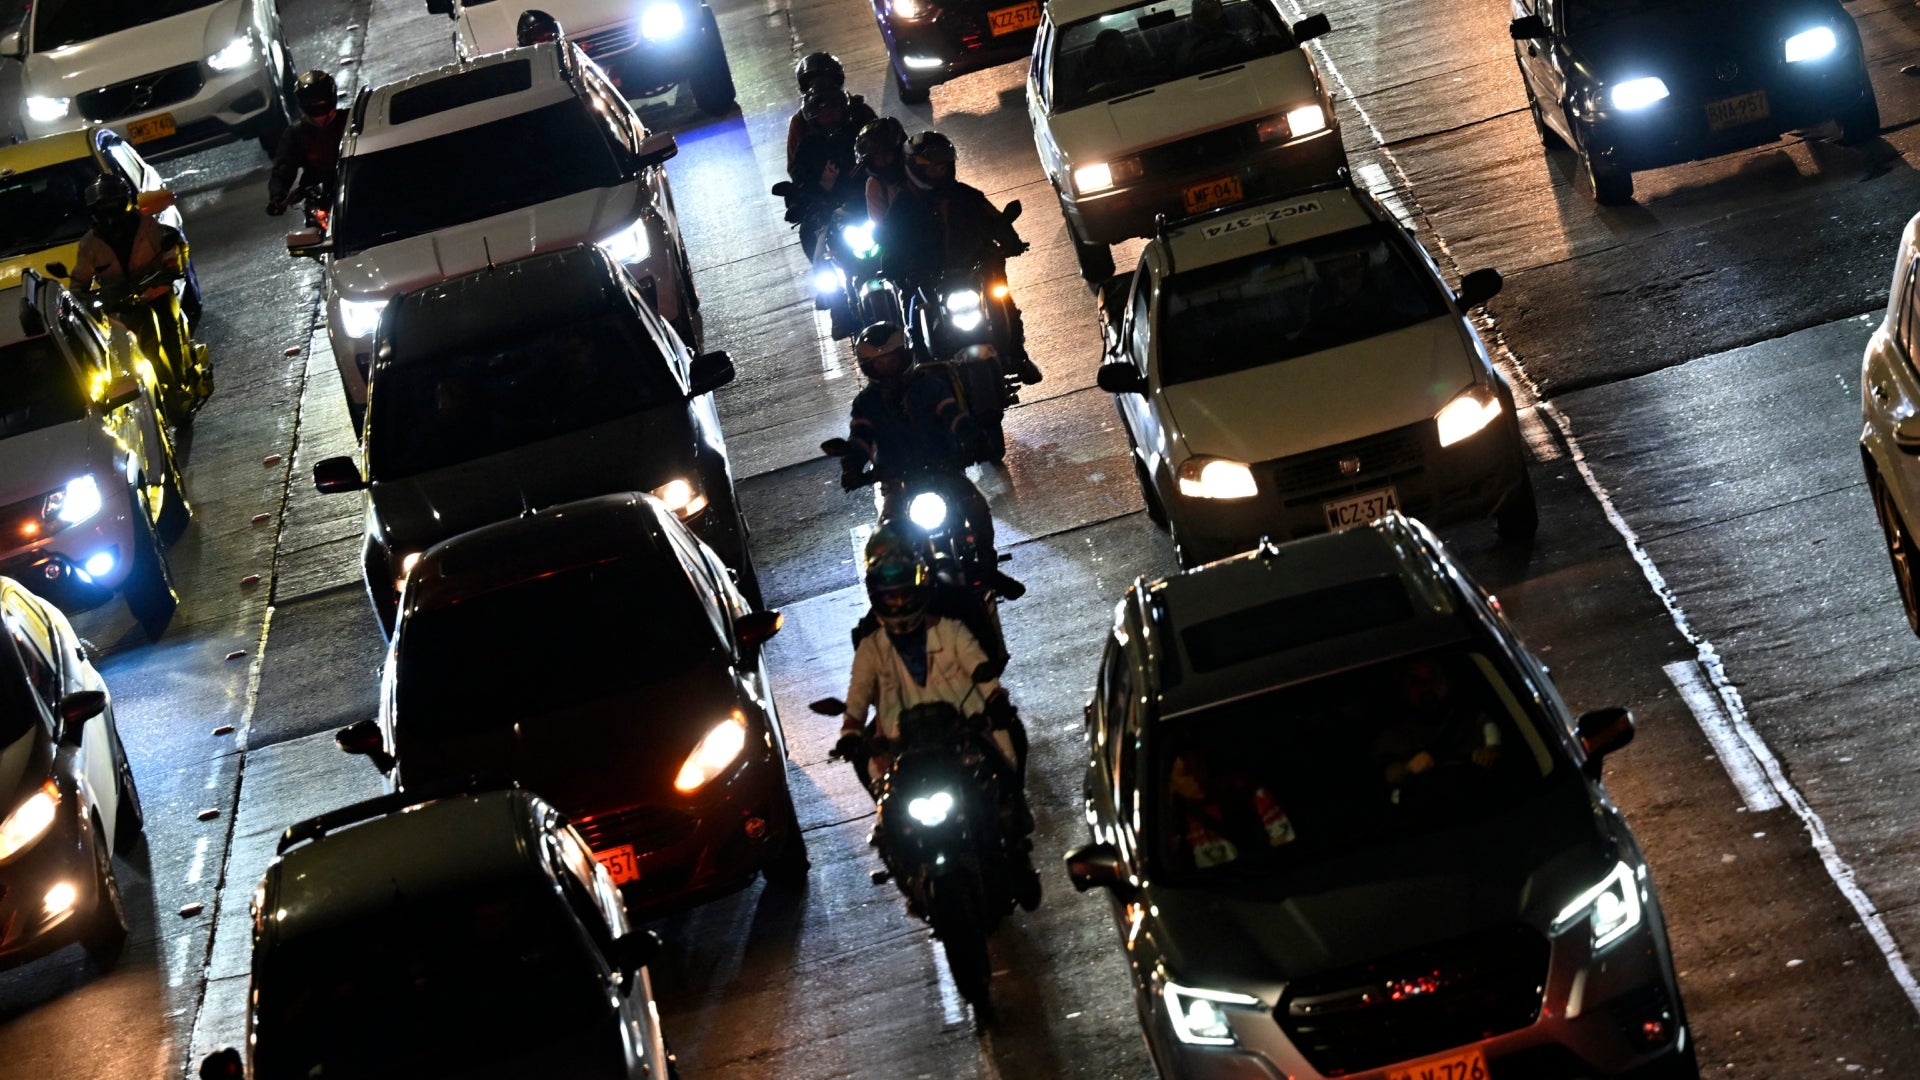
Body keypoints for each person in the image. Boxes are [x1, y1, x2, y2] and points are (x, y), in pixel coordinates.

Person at [840, 322, 1025, 596]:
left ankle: (988, 565)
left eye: (891, 360)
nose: (887, 368)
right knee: (885, 541)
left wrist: (974, 439)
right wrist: (852, 467)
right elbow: (860, 439)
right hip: (898, 482)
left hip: (943, 470)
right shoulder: (865, 403)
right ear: (869, 367)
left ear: (904, 356)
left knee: (975, 506)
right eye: (879, 363)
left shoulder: (930, 387)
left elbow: (953, 416)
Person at [877, 131, 1043, 384]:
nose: (937, 172)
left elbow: (994, 219)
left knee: (1002, 299)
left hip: (973, 269)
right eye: (930, 167)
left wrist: (1011, 241)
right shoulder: (902, 206)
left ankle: (1017, 353)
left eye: (942, 166)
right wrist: (895, 268)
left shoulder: (967, 195)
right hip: (928, 276)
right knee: (914, 307)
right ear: (914, 168)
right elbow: (889, 241)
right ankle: (923, 362)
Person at [71, 175, 207, 419]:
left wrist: (168, 270)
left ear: (124, 201)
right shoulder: (90, 243)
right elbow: (80, 278)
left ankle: (177, 383)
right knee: (108, 345)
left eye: (112, 202)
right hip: (119, 304)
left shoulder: (148, 226)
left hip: (156, 293)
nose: (109, 209)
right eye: (103, 205)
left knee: (169, 328)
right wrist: (78, 296)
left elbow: (170, 253)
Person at [1373, 656, 1503, 801]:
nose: (1426, 687)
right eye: (1415, 681)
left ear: (1447, 683)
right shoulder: (1394, 735)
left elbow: (1492, 735)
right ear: (1404, 689)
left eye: (1433, 678)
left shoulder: (1470, 717)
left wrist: (1491, 751)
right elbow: (1388, 774)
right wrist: (1408, 767)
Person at [1166, 750, 1296, 870]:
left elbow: (1285, 847)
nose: (1196, 778)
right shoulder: (1174, 824)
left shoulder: (1248, 793)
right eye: (1185, 774)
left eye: (1199, 767)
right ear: (1171, 785)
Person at [786, 86, 877, 255]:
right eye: (823, 115)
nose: (828, 118)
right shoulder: (807, 146)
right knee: (808, 233)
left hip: (867, 203)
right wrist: (799, 203)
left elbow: (883, 162)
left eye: (832, 112)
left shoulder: (861, 136)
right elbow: (800, 179)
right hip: (829, 210)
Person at [266, 70, 347, 219]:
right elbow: (283, 168)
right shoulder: (296, 133)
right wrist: (278, 197)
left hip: (353, 184)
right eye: (312, 103)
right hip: (318, 194)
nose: (318, 107)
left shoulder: (350, 120)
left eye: (321, 101)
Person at [787, 51, 849, 169]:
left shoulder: (856, 108)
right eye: (813, 83)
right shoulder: (799, 122)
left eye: (827, 81)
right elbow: (795, 167)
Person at [856, 116, 909, 225]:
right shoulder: (875, 185)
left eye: (887, 154)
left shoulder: (918, 172)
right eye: (876, 157)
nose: (883, 161)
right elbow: (881, 226)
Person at [1175, 0, 1246, 74]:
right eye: (1205, 15)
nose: (1209, 19)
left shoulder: (1237, 37)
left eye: (1212, 12)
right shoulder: (1188, 48)